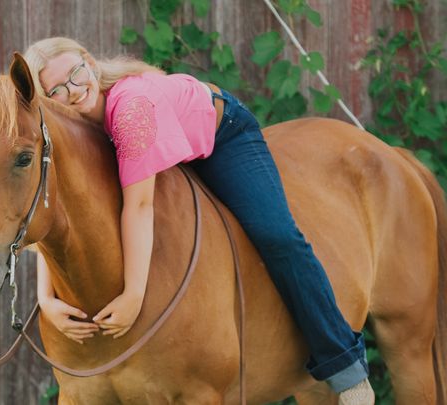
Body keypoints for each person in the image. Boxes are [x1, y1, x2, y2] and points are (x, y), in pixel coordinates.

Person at [24, 37, 374, 403]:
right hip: (154, 146)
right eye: (58, 89)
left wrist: (133, 296)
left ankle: (344, 365)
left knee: (277, 236)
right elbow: (62, 215)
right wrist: (45, 299)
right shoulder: (71, 133)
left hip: (222, 137)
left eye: (76, 74)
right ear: (46, 99)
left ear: (91, 64)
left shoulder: (131, 109)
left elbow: (139, 207)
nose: (73, 90)